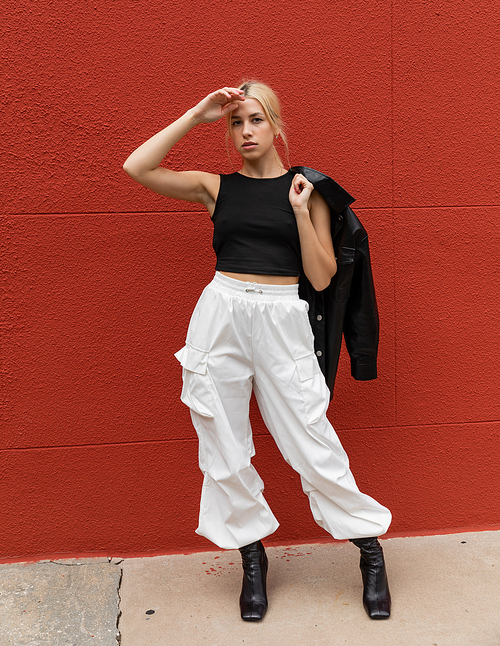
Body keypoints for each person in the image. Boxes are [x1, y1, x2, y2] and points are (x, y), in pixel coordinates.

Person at [123, 81, 392, 621]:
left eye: (255, 121)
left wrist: (297, 212)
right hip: (221, 313)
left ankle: (368, 547)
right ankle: (252, 556)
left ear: (276, 127)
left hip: (281, 316)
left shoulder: (308, 190)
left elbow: (321, 274)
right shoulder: (215, 188)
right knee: (221, 437)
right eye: (235, 123)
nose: (245, 132)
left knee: (309, 434)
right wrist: (195, 114)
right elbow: (138, 167)